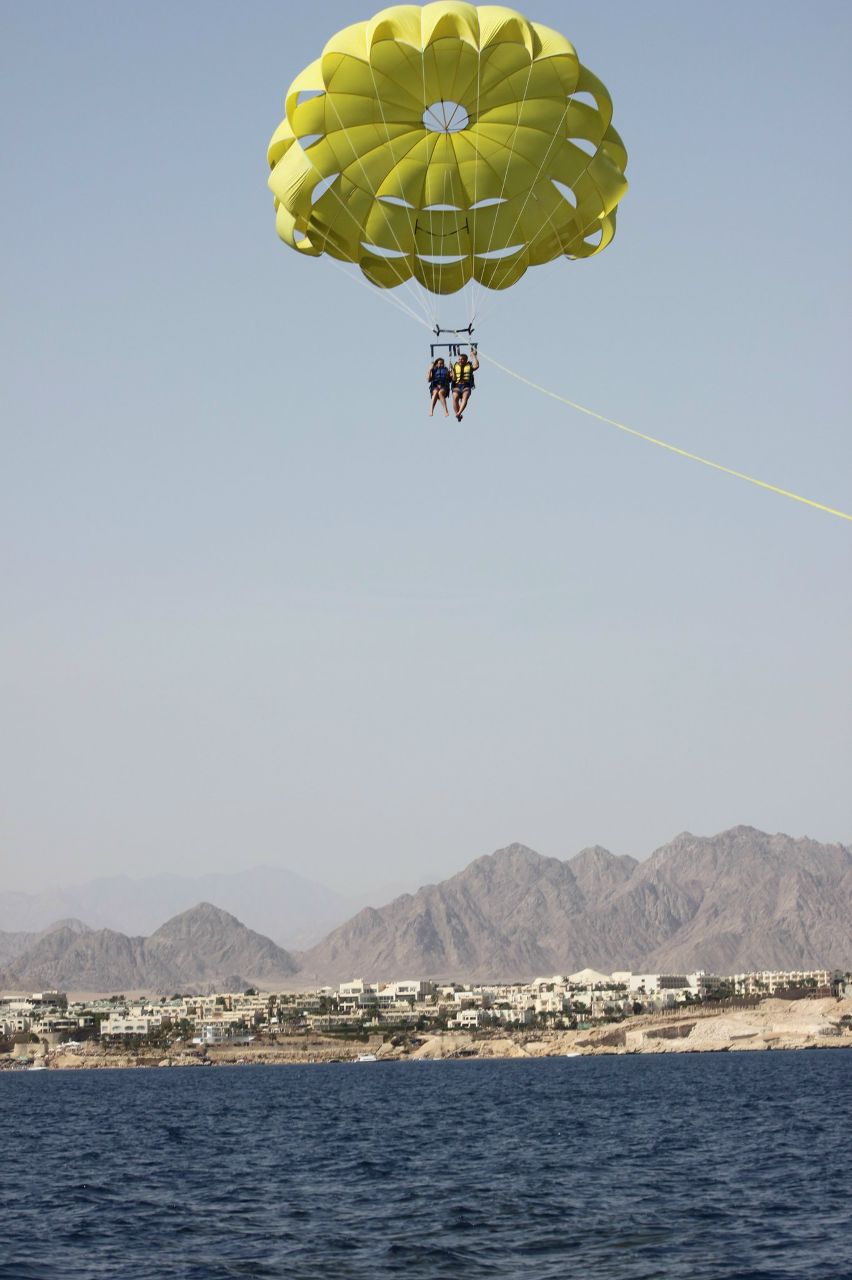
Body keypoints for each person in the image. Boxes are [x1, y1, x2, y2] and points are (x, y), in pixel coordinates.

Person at [451, 349, 479, 421]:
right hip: (457, 385)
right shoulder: (455, 366)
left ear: (466, 360)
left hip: (466, 385)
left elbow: (476, 365)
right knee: (455, 397)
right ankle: (458, 414)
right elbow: (452, 377)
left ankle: (459, 413)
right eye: (459, 359)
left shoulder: (469, 366)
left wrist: (474, 356)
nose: (460, 360)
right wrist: (451, 373)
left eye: (462, 359)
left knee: (465, 396)